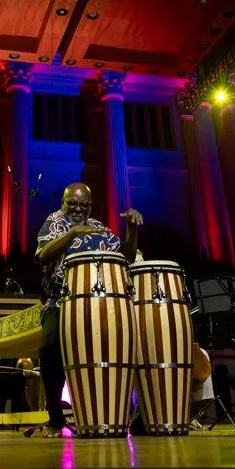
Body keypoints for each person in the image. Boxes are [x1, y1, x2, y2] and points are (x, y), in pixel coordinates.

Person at [29, 182, 142, 437]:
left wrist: (132, 230)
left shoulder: (99, 228)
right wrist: (72, 233)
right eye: (73, 203)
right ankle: (55, 417)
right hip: (60, 301)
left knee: (120, 341)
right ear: (63, 202)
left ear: (90, 206)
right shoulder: (55, 221)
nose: (78, 209)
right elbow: (42, 256)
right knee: (50, 345)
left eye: (83, 205)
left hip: (98, 305)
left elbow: (127, 257)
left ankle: (105, 414)